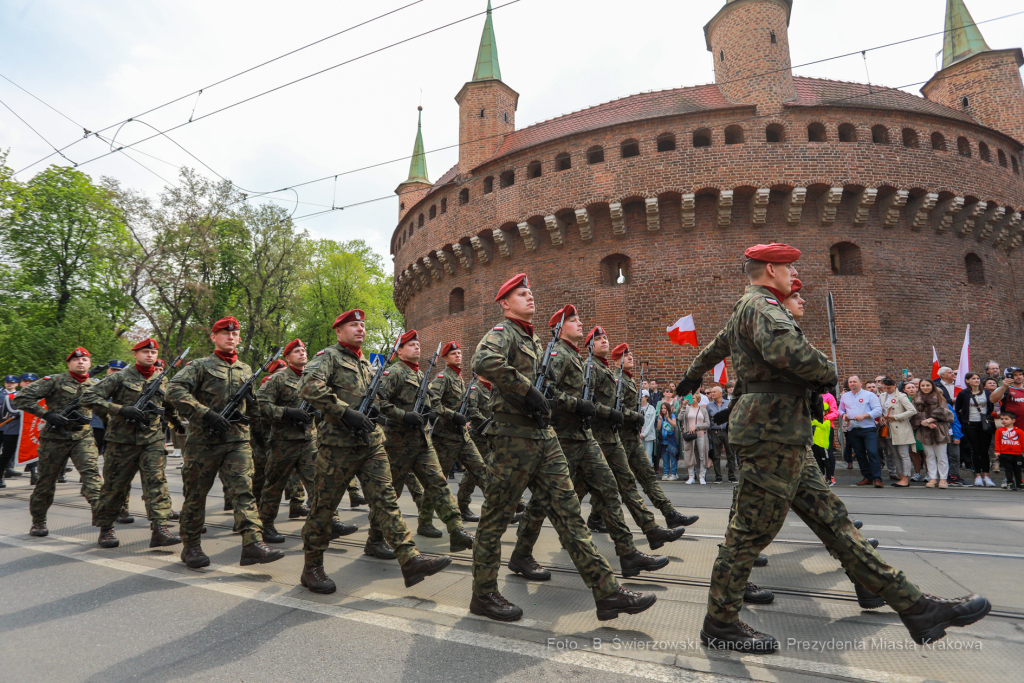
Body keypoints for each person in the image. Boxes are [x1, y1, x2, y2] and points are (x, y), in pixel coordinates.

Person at [676, 242, 990, 652]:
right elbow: (785, 350)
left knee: (835, 523)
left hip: (781, 432)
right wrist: (828, 371)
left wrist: (690, 375)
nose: (793, 279)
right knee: (749, 534)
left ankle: (913, 606)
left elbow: (714, 348)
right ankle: (720, 623)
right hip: (771, 432)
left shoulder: (744, 308)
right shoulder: (762, 307)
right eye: (789, 271)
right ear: (771, 269)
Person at [470, 276, 657, 622]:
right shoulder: (503, 332)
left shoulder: (537, 341)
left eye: (531, 292)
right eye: (522, 294)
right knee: (495, 518)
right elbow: (482, 361)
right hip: (513, 438)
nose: (530, 297)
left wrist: (548, 399)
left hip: (545, 437)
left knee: (570, 514)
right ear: (505, 304)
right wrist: (527, 391)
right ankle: (483, 595)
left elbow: (551, 390)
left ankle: (607, 592)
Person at [297, 309, 453, 593]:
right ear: (338, 331)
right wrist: (345, 412)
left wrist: (386, 414)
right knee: (323, 507)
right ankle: (312, 567)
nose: (360, 329)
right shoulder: (328, 357)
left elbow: (379, 400)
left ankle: (410, 559)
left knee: (386, 501)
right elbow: (308, 387)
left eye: (362, 325)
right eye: (353, 325)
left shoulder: (367, 365)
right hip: (337, 447)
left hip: (371, 444)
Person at [511, 311, 672, 584]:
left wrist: (589, 408)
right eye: (574, 321)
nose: (580, 324)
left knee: (610, 489)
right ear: (559, 328)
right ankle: (521, 553)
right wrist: (578, 405)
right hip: (562, 439)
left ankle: (628, 553)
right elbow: (545, 395)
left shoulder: (574, 357)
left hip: (584, 437)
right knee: (542, 502)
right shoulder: (557, 355)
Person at [166, 317, 283, 569]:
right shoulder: (199, 366)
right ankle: (191, 546)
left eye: (235, 333)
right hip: (203, 442)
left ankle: (252, 543)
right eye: (224, 333)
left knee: (243, 491)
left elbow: (252, 404)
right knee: (196, 495)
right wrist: (204, 412)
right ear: (213, 336)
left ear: (239, 338)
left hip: (237, 440)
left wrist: (261, 433)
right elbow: (173, 389)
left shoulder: (245, 369)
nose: (231, 337)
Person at [582, 327, 684, 548]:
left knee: (629, 482)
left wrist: (628, 417)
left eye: (605, 337)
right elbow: (592, 403)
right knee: (582, 490)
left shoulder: (610, 373)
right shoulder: (593, 369)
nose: (604, 341)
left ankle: (659, 523)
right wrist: (629, 416)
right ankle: (575, 530)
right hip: (599, 440)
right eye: (598, 339)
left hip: (617, 438)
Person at [376, 330, 475, 553]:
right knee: (390, 492)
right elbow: (378, 402)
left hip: (422, 440)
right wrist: (403, 415)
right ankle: (375, 538)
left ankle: (456, 530)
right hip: (398, 443)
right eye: (411, 345)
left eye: (418, 344)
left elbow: (432, 403)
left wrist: (431, 411)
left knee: (438, 483)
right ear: (399, 351)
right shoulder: (394, 372)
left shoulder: (421, 375)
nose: (417, 347)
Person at [256, 339, 358, 543]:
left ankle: (332, 522)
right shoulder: (277, 379)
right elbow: (261, 406)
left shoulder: (314, 378)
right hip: (283, 442)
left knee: (319, 483)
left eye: (303, 350)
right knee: (274, 486)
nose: (302, 353)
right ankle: (265, 526)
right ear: (287, 357)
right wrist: (286, 412)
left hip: (308, 441)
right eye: (296, 351)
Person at [81, 339, 181, 549]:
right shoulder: (119, 377)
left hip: (152, 440)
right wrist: (119, 409)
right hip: (121, 442)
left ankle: (160, 529)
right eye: (145, 352)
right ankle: (106, 528)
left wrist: (177, 423)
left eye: (153, 352)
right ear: (135, 354)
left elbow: (168, 405)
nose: (150, 355)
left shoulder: (162, 379)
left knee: (157, 483)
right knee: (114, 487)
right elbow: (88, 397)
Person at [14, 348, 103, 537]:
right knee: (46, 481)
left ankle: (104, 522)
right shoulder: (54, 380)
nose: (81, 362)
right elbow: (21, 398)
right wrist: (47, 414)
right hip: (55, 437)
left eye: (85, 359)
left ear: (89, 363)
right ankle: (38, 521)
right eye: (76, 360)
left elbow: (105, 407)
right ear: (69, 363)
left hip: (83, 437)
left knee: (92, 477)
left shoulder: (95, 384)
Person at [609, 343, 696, 528]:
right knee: (614, 484)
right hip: (619, 440)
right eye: (626, 356)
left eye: (631, 354)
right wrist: (636, 416)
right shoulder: (616, 380)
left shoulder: (629, 380)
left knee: (648, 476)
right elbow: (615, 409)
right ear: (616, 362)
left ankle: (670, 514)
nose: (631, 357)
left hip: (632, 439)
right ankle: (597, 517)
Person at [428, 341, 490, 523]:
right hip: (446, 437)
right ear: (445, 358)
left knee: (481, 470)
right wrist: (453, 415)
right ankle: (425, 520)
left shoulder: (459, 378)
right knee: (439, 481)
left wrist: (465, 420)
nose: (458, 356)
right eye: (453, 354)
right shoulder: (442, 377)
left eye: (459, 353)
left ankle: (502, 509)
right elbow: (433, 404)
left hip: (462, 436)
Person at [840, 375, 885, 487]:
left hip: (868, 428)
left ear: (860, 382)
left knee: (872, 453)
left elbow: (878, 410)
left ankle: (877, 478)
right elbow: (840, 409)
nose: (852, 384)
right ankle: (867, 477)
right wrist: (843, 414)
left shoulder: (869, 395)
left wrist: (865, 415)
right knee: (860, 455)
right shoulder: (845, 396)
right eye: (850, 382)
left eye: (854, 381)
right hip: (853, 429)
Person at [910, 379, 955, 489]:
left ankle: (943, 479)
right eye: (923, 385)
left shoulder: (940, 397)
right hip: (924, 430)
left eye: (928, 385)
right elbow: (913, 414)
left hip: (939, 429)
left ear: (932, 386)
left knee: (942, 456)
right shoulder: (915, 399)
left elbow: (947, 413)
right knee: (929, 455)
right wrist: (923, 422)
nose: (925, 387)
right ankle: (933, 478)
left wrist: (930, 420)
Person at [955, 372, 996, 488]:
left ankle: (986, 476)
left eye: (978, 378)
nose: (976, 380)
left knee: (984, 450)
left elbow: (991, 407)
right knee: (975, 450)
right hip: (970, 425)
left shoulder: (987, 392)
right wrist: (963, 420)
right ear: (967, 381)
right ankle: (977, 476)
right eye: (973, 378)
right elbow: (958, 408)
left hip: (984, 424)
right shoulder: (963, 393)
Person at [878, 377, 917, 487]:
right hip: (888, 428)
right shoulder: (882, 396)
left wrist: (896, 416)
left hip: (900, 428)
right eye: (884, 387)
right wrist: (881, 417)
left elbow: (912, 411)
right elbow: (882, 410)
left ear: (895, 385)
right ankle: (901, 477)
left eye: (889, 388)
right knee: (895, 454)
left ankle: (905, 478)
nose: (886, 390)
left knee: (903, 454)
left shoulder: (901, 396)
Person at [706, 385, 736, 483]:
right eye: (712, 392)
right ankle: (718, 476)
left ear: (720, 393)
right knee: (716, 455)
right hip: (715, 432)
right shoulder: (709, 406)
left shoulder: (728, 404)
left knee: (730, 454)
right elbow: (708, 420)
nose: (712, 394)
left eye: (714, 392)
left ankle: (731, 476)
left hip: (727, 432)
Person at [680, 393, 710, 485]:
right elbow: (680, 418)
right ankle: (691, 476)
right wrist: (683, 406)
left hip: (701, 435)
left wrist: (696, 427)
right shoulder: (687, 409)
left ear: (698, 399)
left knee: (702, 455)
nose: (691, 399)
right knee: (690, 454)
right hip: (690, 435)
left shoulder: (703, 410)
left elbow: (707, 424)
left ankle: (702, 477)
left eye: (693, 398)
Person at [994, 412, 1024, 490]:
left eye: (1006, 419)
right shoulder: (999, 430)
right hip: (1004, 454)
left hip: (1017, 454)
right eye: (1002, 419)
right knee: (1008, 469)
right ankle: (1010, 483)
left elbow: (1022, 442)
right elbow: (997, 441)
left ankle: (1019, 483)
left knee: (1017, 469)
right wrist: (997, 450)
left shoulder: (1019, 431)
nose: (1003, 421)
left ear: (1013, 420)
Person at [0, 375, 21, 486]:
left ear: (17, 384)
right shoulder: (2, 395)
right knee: (6, 453)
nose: (10, 384)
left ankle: (34, 473)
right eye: (8, 382)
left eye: (12, 382)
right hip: (5, 426)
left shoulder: (22, 395)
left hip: (20, 428)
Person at [656, 402, 678, 481]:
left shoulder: (672, 416)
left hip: (671, 440)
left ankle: (674, 473)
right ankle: (666, 473)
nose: (663, 410)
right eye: (662, 408)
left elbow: (674, 425)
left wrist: (668, 418)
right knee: (665, 458)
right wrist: (660, 420)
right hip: (663, 441)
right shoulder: (660, 417)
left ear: (668, 409)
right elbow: (658, 429)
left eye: (665, 408)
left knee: (672, 457)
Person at [640, 392, 657, 465]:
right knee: (640, 456)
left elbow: (651, 423)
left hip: (648, 436)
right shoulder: (637, 407)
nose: (641, 398)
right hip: (639, 436)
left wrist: (644, 433)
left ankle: (649, 473)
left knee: (648, 456)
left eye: (642, 396)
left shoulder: (651, 408)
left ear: (646, 397)